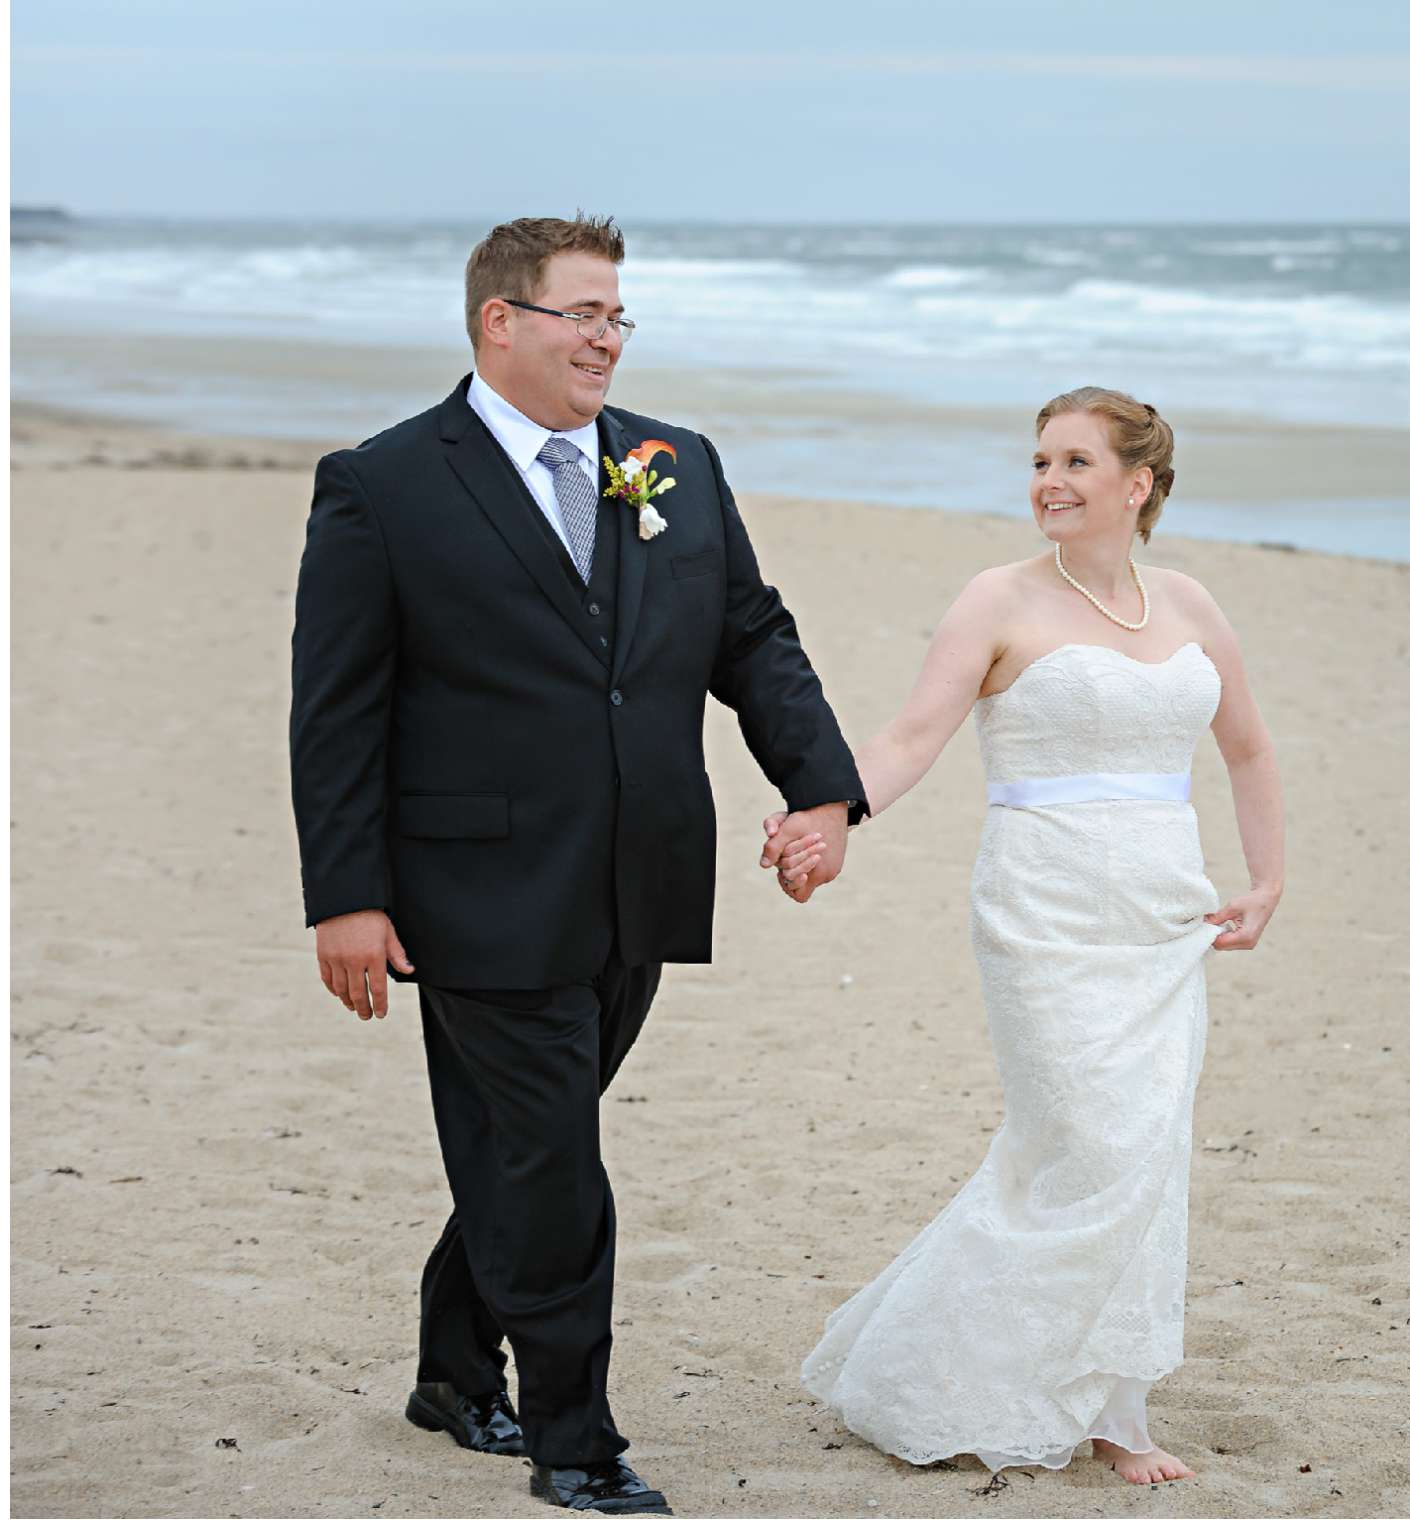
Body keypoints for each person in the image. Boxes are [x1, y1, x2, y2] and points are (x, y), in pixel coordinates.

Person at [288, 214, 865, 1516]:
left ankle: (450, 1370)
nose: (608, 336)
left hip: (643, 876)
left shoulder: (673, 463)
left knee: (522, 1146)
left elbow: (750, 636)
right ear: (502, 322)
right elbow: (334, 712)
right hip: (475, 889)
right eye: (582, 313)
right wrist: (345, 896)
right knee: (553, 1161)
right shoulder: (383, 486)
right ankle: (574, 1440)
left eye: (620, 316)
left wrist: (821, 787)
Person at [771, 387, 1286, 1484]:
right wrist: (826, 812)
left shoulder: (1189, 602)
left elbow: (1245, 747)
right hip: (1040, 911)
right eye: (1040, 460)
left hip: (1163, 916)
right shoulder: (995, 598)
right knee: (1085, 1144)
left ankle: (1115, 1409)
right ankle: (939, 1372)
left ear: (1135, 484)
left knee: (1144, 1151)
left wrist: (1266, 877)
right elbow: (912, 733)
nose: (1048, 480)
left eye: (1075, 462)